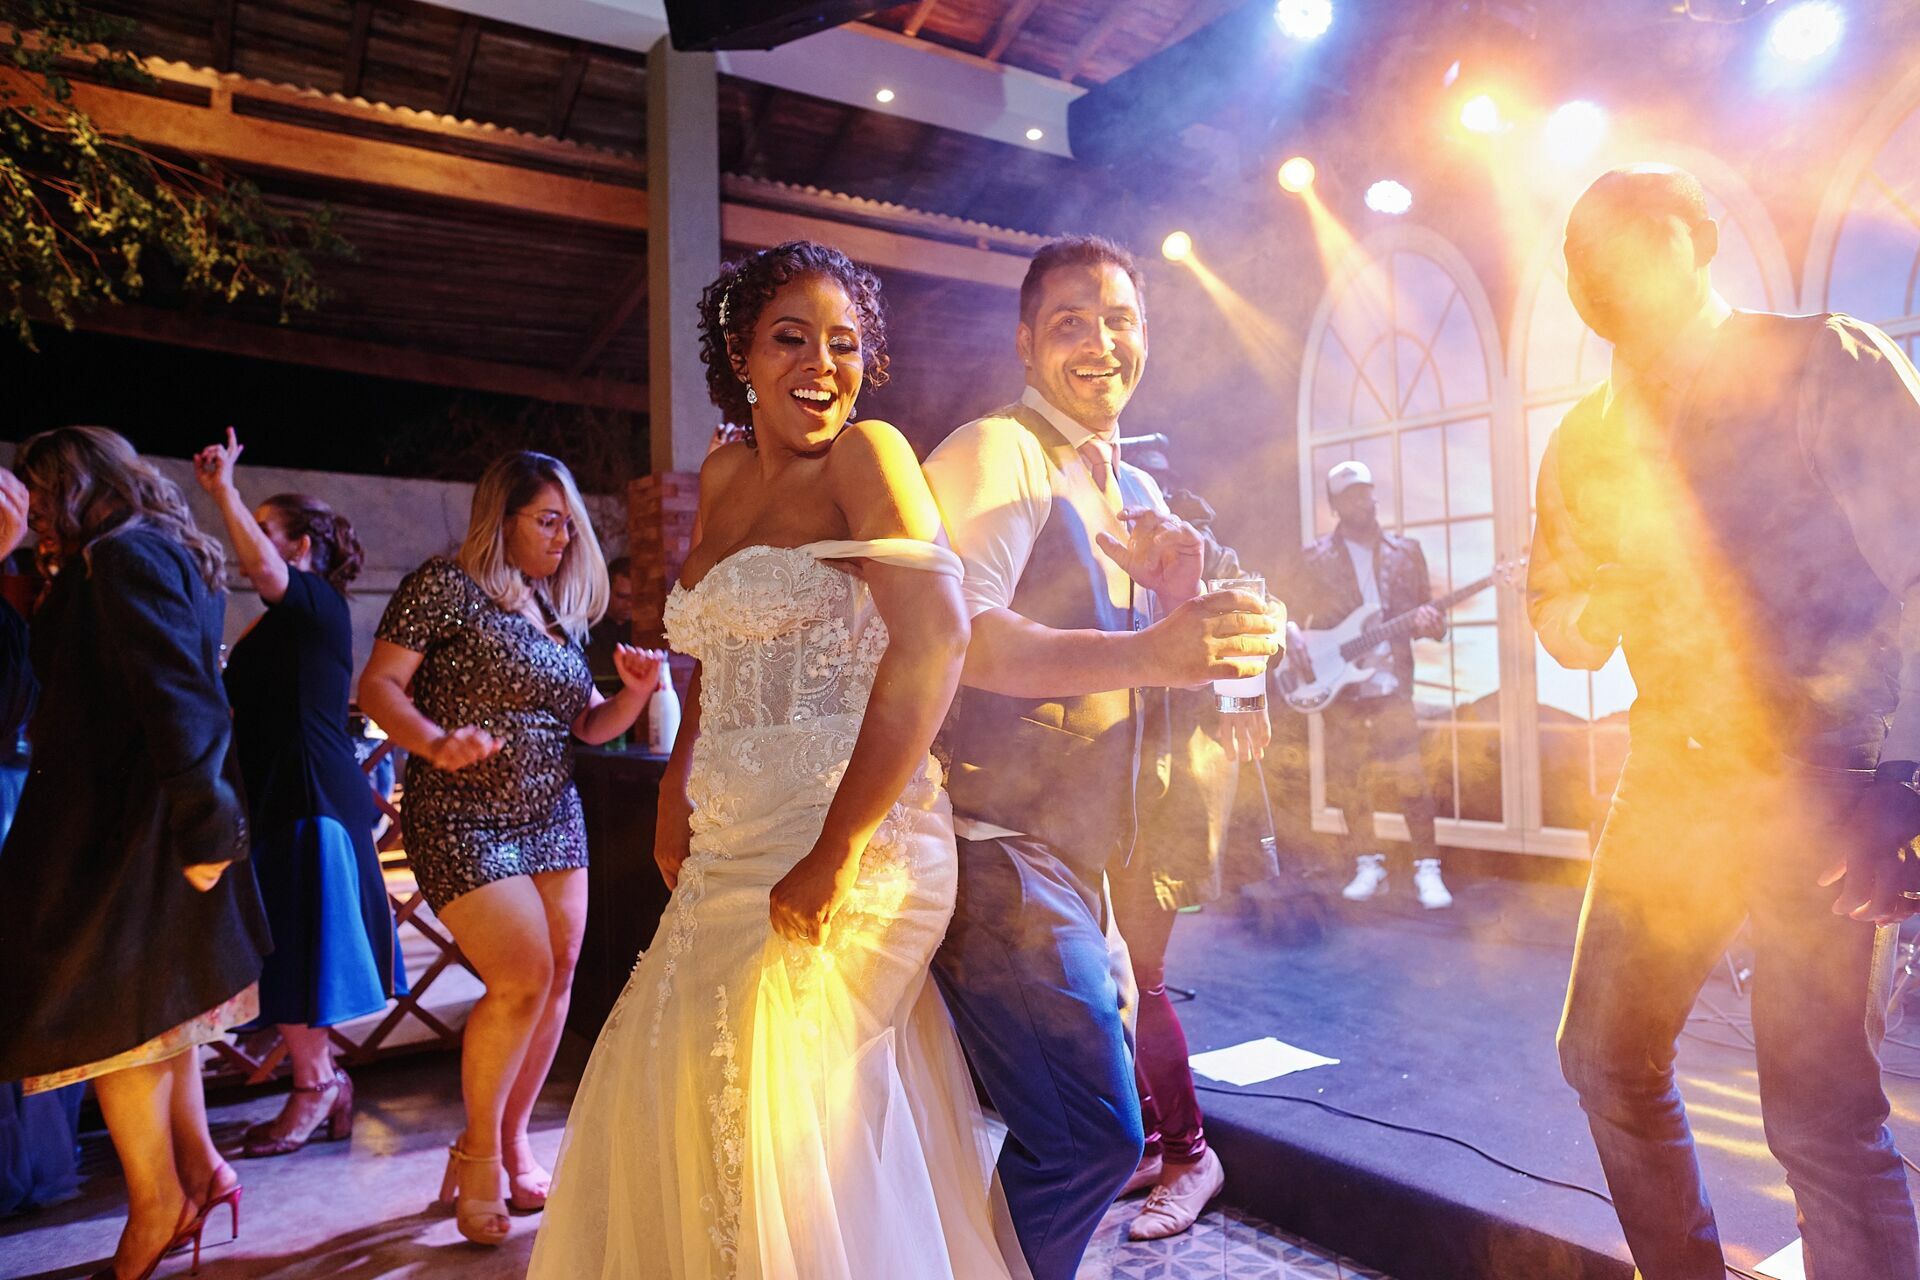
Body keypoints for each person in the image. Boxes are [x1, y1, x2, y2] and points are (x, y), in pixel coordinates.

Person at [530, 241, 1010, 1279]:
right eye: (791, 337)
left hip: (861, 840)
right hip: (729, 843)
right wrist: (673, 780)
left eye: (844, 343)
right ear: (741, 357)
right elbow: (718, 652)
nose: (823, 364)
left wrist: (837, 847)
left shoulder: (866, 457)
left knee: (768, 1078)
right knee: (668, 1075)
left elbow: (937, 641)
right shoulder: (726, 469)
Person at [1532, 164, 1920, 1280]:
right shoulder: (1584, 437)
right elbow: (1556, 618)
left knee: (1817, 1112)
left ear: (1695, 238)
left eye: (1629, 238)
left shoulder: (1820, 360)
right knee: (1602, 1055)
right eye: (1578, 250)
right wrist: (1600, 600)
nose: (1600, 265)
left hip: (1828, 775)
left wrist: (1910, 779)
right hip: (1671, 774)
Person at [922, 234, 1286, 1279]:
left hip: (1077, 858)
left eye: (1119, 318)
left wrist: (1176, 607)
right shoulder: (995, 452)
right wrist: (1151, 642)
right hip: (997, 847)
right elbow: (958, 638)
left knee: (1076, 1137)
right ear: (1027, 340)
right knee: (1092, 1137)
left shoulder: (1120, 484)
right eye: (1071, 320)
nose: (1100, 340)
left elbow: (1125, 674)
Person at [358, 451, 662, 1246]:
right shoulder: (443, 586)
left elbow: (589, 726)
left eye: (570, 523)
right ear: (503, 516)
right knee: (522, 974)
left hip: (553, 814)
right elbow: (378, 687)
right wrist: (432, 741)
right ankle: (481, 1156)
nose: (565, 537)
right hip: (461, 812)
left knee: (557, 978)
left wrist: (633, 691)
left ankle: (512, 1137)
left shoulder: (554, 612)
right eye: (549, 520)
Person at [0, 427, 270, 1280]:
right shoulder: (132, 551)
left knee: (105, 1020)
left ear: (75, 485)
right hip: (136, 817)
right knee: (159, 1008)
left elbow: (180, 690)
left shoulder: (121, 557)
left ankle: (158, 1203)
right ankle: (198, 1170)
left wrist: (206, 823)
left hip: (122, 825)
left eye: (41, 495)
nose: (36, 513)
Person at [192, 430, 407, 1159]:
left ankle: (314, 1088)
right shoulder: (282, 622)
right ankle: (324, 1083)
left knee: (297, 952)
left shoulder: (315, 603)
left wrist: (222, 490)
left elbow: (257, 564)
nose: (252, 541)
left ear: (303, 546)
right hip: (279, 797)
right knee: (284, 949)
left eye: (267, 529)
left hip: (311, 797)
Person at [1109, 496, 1276, 1240]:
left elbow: (1256, 617)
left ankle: (1190, 1155)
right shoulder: (1073, 535)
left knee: (1140, 975)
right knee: (1109, 977)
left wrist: (1244, 687)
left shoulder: (1184, 536)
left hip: (1166, 790)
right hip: (1097, 785)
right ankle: (1150, 1143)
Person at [1289, 460, 1452, 909]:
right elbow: (1289, 608)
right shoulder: (1314, 557)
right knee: (1349, 779)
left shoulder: (1406, 552)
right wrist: (1290, 631)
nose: (1364, 500)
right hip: (1341, 684)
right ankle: (1368, 863)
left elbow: (1431, 622)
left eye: (1367, 491)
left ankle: (1427, 868)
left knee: (1410, 778)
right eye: (1352, 495)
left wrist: (1430, 623)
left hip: (1391, 683)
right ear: (1336, 505)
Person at [583, 554, 634, 682]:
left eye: (634, 597)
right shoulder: (587, 630)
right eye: (622, 596)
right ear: (606, 591)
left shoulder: (646, 630)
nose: (630, 604)